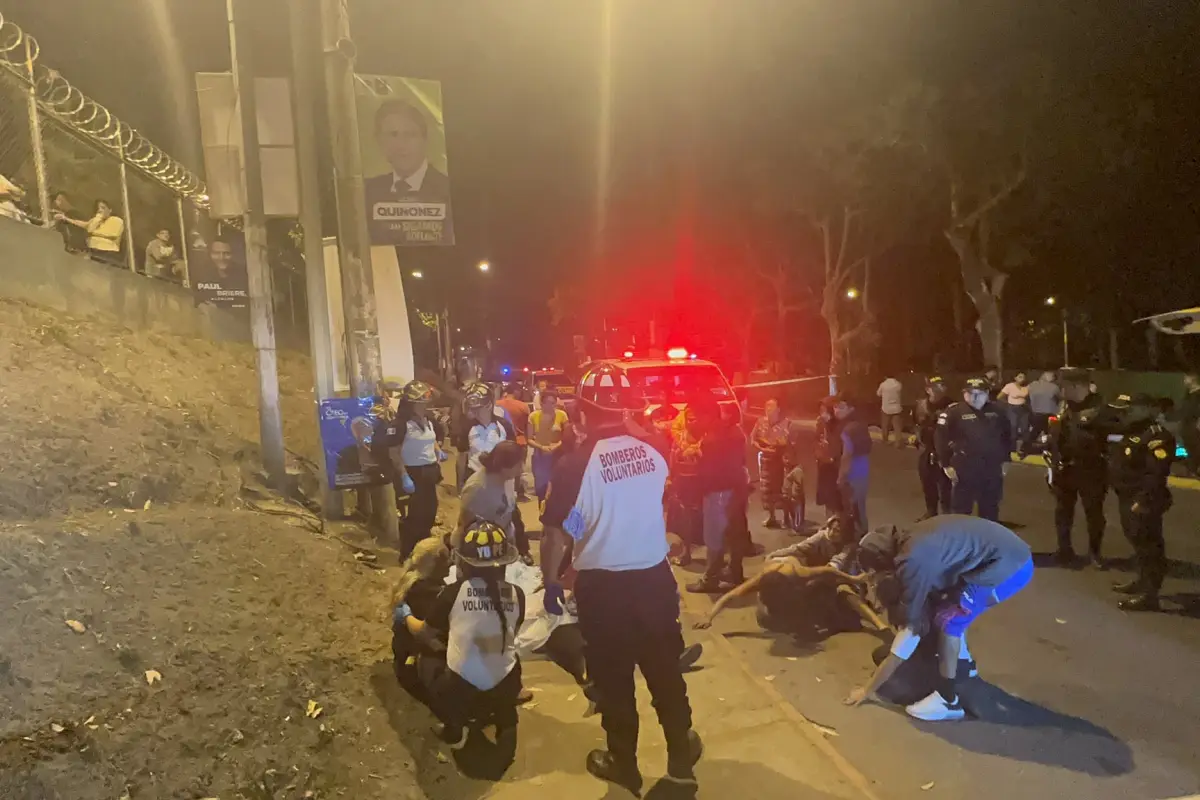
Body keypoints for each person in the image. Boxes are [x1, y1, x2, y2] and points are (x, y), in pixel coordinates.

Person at [540, 361, 702, 794]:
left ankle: (624, 766)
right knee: (666, 673)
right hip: (654, 581)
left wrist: (553, 580)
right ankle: (682, 769)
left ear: (582, 411)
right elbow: (637, 503)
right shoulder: (654, 452)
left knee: (614, 682)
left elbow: (561, 531)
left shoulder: (574, 466)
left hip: (605, 592)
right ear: (626, 408)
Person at [846, 516, 1033, 721]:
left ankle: (948, 700)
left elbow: (909, 618)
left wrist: (866, 691)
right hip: (1005, 554)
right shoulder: (909, 539)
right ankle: (964, 666)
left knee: (950, 620)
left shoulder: (912, 561)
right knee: (952, 606)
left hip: (1008, 567)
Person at [402, 520, 524, 764]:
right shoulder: (517, 593)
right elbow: (511, 631)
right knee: (508, 656)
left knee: (428, 656)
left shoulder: (453, 593)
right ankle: (505, 717)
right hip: (507, 681)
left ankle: (453, 724)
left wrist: (405, 615)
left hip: (459, 687)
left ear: (465, 562)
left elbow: (424, 633)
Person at [695, 515, 887, 635]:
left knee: (836, 594)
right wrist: (709, 617)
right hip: (793, 574)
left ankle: (877, 625)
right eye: (832, 529)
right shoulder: (764, 577)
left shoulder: (796, 573)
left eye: (838, 530)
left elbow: (830, 569)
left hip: (831, 576)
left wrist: (854, 579)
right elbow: (732, 595)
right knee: (767, 620)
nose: (833, 533)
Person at [1108, 394, 1176, 612]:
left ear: (1145, 409)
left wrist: (1143, 499)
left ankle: (1150, 594)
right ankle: (1142, 580)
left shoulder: (1157, 436)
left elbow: (1156, 474)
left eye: (1127, 410)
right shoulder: (1133, 432)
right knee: (1136, 540)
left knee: (1149, 545)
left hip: (1143, 499)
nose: (1122, 414)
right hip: (1127, 495)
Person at [1042, 368, 1111, 568]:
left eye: (1064, 387)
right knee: (1063, 512)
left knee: (1094, 513)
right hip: (1065, 469)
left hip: (1091, 470)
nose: (1061, 390)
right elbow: (1055, 435)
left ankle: (1095, 553)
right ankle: (1064, 549)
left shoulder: (1100, 409)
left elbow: (1111, 442)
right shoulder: (1064, 406)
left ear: (1077, 386)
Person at [372, 380, 446, 557]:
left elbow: (432, 438)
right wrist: (404, 476)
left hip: (429, 471)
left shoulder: (427, 421)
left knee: (429, 512)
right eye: (421, 402)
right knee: (414, 517)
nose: (425, 405)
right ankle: (408, 553)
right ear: (411, 404)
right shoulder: (401, 424)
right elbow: (394, 452)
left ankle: (424, 549)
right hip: (413, 473)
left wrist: (437, 451)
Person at [460, 382, 532, 565]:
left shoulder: (503, 425)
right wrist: (460, 482)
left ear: (489, 405)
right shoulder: (467, 427)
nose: (475, 412)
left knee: (511, 515)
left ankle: (521, 550)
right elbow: (461, 456)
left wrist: (516, 480)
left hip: (503, 477)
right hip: (479, 477)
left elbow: (514, 452)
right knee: (476, 522)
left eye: (478, 408)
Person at [688, 397, 750, 594]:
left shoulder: (713, 438)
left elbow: (710, 470)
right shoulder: (731, 430)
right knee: (733, 533)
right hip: (736, 488)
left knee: (714, 536)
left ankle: (711, 578)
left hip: (719, 492)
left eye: (696, 417)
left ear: (707, 416)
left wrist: (696, 457)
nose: (694, 421)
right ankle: (734, 573)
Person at [935, 377, 1012, 522]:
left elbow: (1007, 436)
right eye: (970, 393)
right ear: (964, 394)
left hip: (991, 468)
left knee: (990, 510)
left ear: (988, 393)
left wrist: (1007, 458)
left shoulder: (998, 412)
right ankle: (964, 543)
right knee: (961, 513)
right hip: (964, 467)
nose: (975, 398)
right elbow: (941, 438)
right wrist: (945, 464)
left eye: (979, 393)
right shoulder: (954, 412)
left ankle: (987, 542)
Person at [390, 537, 453, 697]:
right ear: (435, 563)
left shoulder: (411, 582)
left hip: (403, 659)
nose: (450, 562)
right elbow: (425, 633)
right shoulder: (432, 594)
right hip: (416, 667)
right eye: (446, 558)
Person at [456, 441, 525, 554]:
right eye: (518, 465)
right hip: (484, 552)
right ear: (504, 467)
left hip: (504, 545)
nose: (521, 469)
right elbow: (464, 526)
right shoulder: (477, 488)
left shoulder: (508, 479)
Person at [751, 398, 796, 528]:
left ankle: (787, 518)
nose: (768, 409)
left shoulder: (787, 423)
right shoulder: (760, 422)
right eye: (767, 406)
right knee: (767, 490)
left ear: (778, 409)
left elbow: (792, 444)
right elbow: (753, 439)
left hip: (781, 461)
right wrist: (762, 448)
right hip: (766, 460)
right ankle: (771, 517)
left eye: (771, 407)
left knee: (783, 490)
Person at [915, 376, 954, 519]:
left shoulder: (952, 406)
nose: (939, 390)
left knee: (946, 485)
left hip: (945, 451)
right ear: (928, 389)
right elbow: (917, 424)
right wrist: (918, 437)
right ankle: (931, 511)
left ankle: (948, 515)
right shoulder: (921, 405)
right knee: (927, 483)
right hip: (927, 450)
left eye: (941, 387)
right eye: (935, 387)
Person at [834, 395, 872, 535]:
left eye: (841, 407)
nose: (837, 410)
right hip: (863, 472)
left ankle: (858, 541)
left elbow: (847, 455)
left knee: (852, 511)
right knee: (860, 509)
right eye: (836, 407)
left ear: (851, 409)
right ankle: (863, 537)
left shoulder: (847, 429)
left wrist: (841, 477)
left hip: (852, 475)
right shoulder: (860, 424)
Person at [527, 389, 569, 504]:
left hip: (557, 456)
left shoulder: (562, 415)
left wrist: (556, 446)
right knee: (541, 488)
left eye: (553, 403)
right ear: (541, 403)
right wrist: (541, 447)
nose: (550, 406)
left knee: (558, 487)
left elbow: (567, 436)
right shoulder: (533, 416)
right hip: (540, 456)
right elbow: (529, 439)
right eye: (547, 403)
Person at [57, 199, 125, 265]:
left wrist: (92, 232)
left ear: (110, 210)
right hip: (93, 251)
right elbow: (84, 225)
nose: (100, 210)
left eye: (103, 208)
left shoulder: (116, 220)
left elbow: (113, 234)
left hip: (108, 254)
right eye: (98, 208)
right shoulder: (96, 220)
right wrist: (66, 218)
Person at [496, 383, 531, 501]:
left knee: (501, 468)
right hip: (520, 441)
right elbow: (527, 427)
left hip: (502, 442)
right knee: (517, 470)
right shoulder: (523, 406)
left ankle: (501, 492)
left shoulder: (497, 404)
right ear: (516, 392)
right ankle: (516, 493)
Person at [814, 397, 843, 517]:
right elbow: (816, 440)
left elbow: (840, 445)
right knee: (826, 496)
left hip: (835, 466)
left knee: (835, 498)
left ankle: (838, 524)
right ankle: (828, 523)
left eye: (825, 410)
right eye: (821, 411)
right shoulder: (820, 423)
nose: (822, 414)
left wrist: (833, 457)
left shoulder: (839, 425)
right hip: (823, 464)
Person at [998, 371, 1031, 457]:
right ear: (1015, 378)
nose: (1022, 379)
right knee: (1013, 428)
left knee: (1025, 429)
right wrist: (1008, 404)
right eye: (1020, 377)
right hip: (1012, 409)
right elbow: (999, 397)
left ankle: (1024, 449)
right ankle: (1012, 449)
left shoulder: (1027, 387)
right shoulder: (1010, 386)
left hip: (1023, 409)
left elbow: (1029, 398)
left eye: (1023, 377)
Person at [1027, 370, 1060, 448]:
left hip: (1036, 412)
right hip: (1050, 413)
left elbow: (1025, 396)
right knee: (1049, 432)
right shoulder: (1054, 387)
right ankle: (1051, 448)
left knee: (1037, 430)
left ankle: (1026, 447)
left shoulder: (1032, 385)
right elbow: (1060, 398)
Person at [1179, 371, 1200, 478]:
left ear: (1192, 379)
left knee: (1196, 450)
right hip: (1187, 429)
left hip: (1194, 428)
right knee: (1190, 450)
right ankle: (1192, 471)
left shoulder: (1198, 395)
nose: (1184, 380)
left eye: (1186, 378)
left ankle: (1195, 470)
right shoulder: (1188, 394)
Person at [876, 373, 905, 447]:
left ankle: (885, 440)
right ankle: (898, 442)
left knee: (885, 425)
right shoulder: (898, 384)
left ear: (885, 376)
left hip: (886, 408)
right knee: (897, 426)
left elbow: (878, 394)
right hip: (897, 408)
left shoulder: (883, 385)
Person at [782, 463, 806, 532]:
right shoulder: (796, 471)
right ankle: (797, 527)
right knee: (796, 511)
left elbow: (799, 484)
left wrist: (795, 494)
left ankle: (798, 528)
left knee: (797, 511)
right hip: (794, 495)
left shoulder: (797, 471)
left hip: (796, 495)